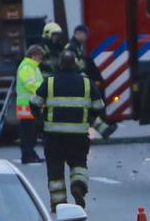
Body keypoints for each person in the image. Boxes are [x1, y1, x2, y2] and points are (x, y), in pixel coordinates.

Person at [36, 50, 104, 208]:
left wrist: (40, 119)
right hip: (78, 135)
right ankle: (78, 185)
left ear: (59, 64)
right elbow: (99, 106)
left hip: (53, 136)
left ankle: (59, 203)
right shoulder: (86, 82)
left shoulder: (50, 82)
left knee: (55, 169)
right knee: (78, 163)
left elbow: (34, 103)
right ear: (75, 63)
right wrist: (87, 114)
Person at [64, 23, 116, 139]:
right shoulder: (71, 48)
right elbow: (74, 67)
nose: (87, 37)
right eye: (85, 34)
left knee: (86, 108)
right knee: (85, 109)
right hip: (76, 83)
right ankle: (104, 129)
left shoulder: (76, 47)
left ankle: (104, 129)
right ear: (79, 34)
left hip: (80, 82)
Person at [15, 45, 46, 164]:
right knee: (28, 133)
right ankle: (27, 156)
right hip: (27, 105)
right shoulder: (27, 67)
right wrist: (44, 91)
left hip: (31, 104)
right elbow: (31, 85)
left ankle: (30, 154)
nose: (41, 59)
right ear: (33, 55)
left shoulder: (32, 67)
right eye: (40, 57)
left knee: (32, 132)